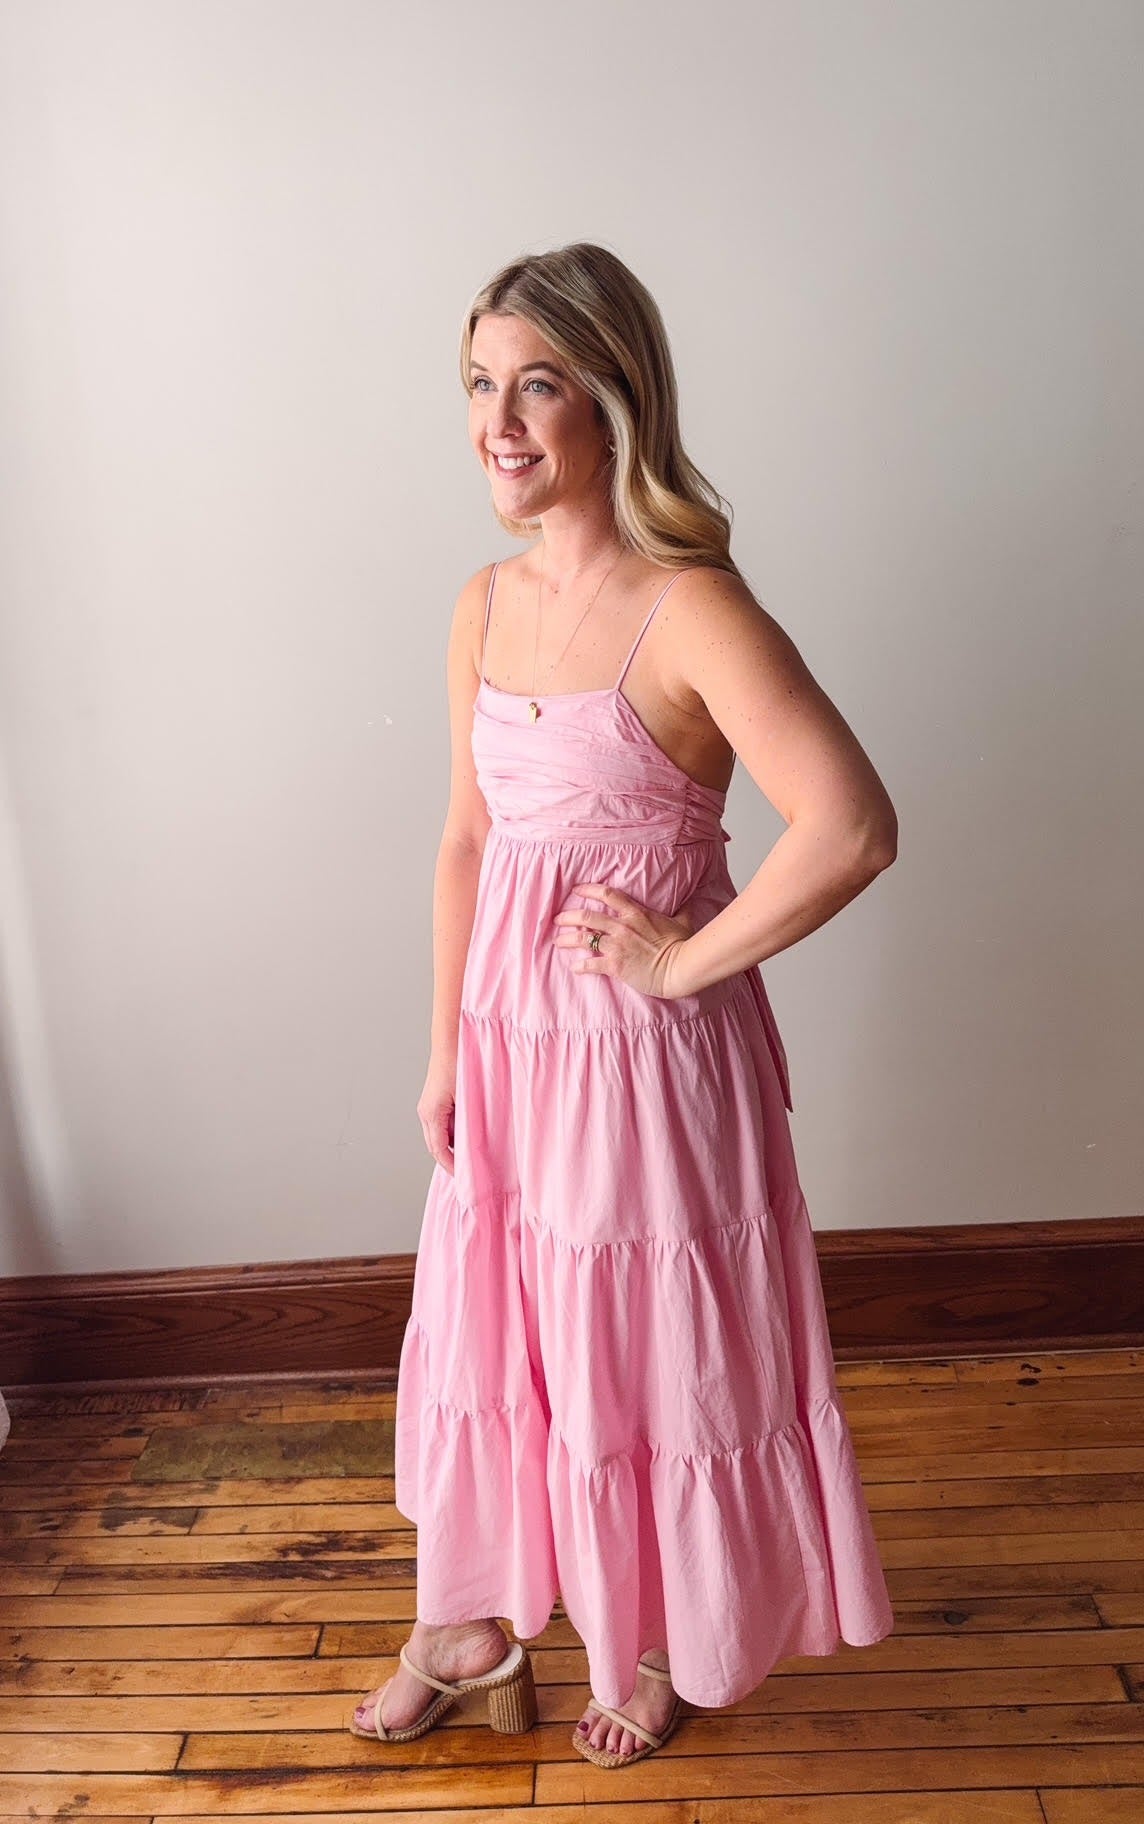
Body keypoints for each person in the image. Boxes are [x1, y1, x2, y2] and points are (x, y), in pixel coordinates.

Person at [351, 242, 897, 1769]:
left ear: (613, 400)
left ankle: (648, 1634)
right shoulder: (482, 603)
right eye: (478, 382)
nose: (498, 421)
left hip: (648, 1067)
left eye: (536, 384)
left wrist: (675, 961)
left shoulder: (691, 608)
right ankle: (465, 1627)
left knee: (638, 1342)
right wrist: (444, 1050)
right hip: (511, 1056)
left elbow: (852, 824)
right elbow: (467, 839)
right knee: (497, 1332)